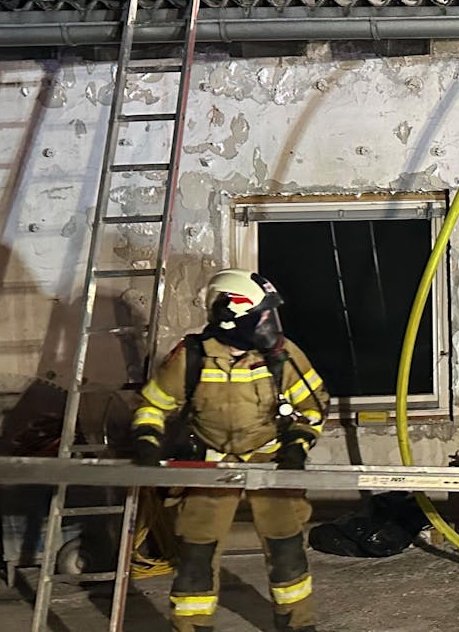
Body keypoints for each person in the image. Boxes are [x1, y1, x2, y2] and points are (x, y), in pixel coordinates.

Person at [132, 270, 329, 632]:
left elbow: (315, 407)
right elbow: (152, 405)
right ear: (229, 316)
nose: (270, 325)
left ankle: (298, 625)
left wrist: (297, 446)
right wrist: (147, 440)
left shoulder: (282, 357)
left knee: (286, 550)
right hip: (210, 462)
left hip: (271, 459)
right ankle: (191, 626)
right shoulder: (191, 357)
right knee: (196, 553)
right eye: (262, 317)